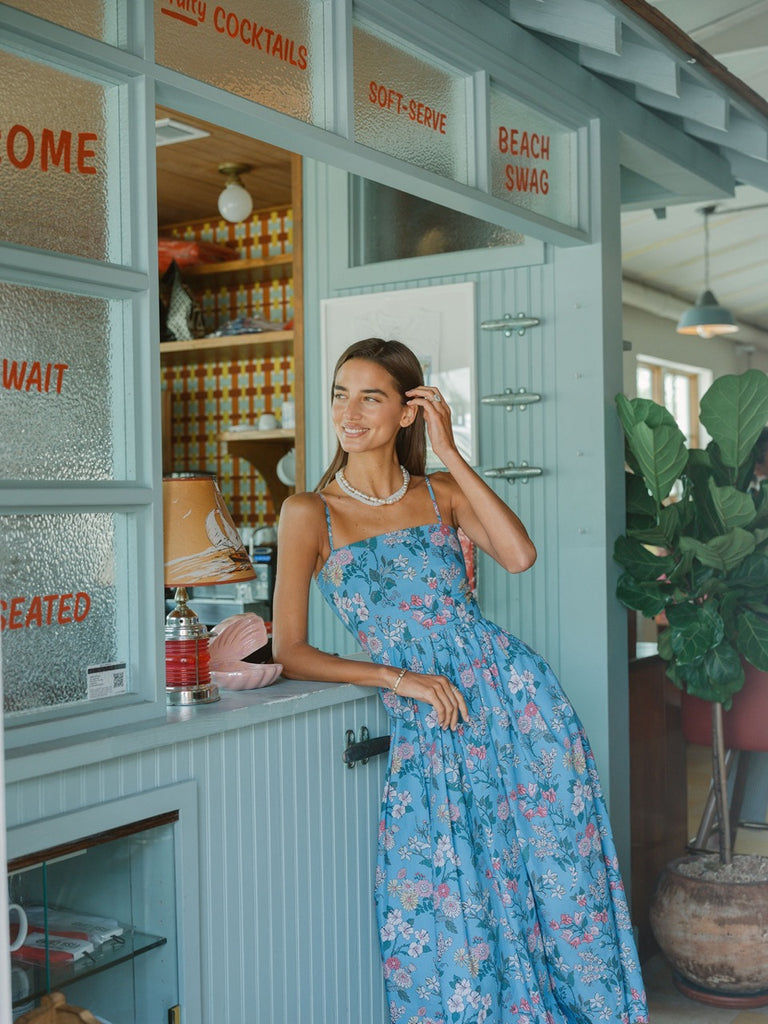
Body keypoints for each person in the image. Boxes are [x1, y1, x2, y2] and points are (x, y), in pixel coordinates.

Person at [272, 338, 648, 1024]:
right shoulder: (309, 512)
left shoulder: (440, 492)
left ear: (410, 410)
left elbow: (519, 554)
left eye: (371, 396)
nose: (349, 412)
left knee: (558, 876)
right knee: (458, 891)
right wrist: (400, 678)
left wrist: (450, 453)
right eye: (339, 393)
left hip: (520, 704)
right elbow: (290, 649)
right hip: (435, 720)